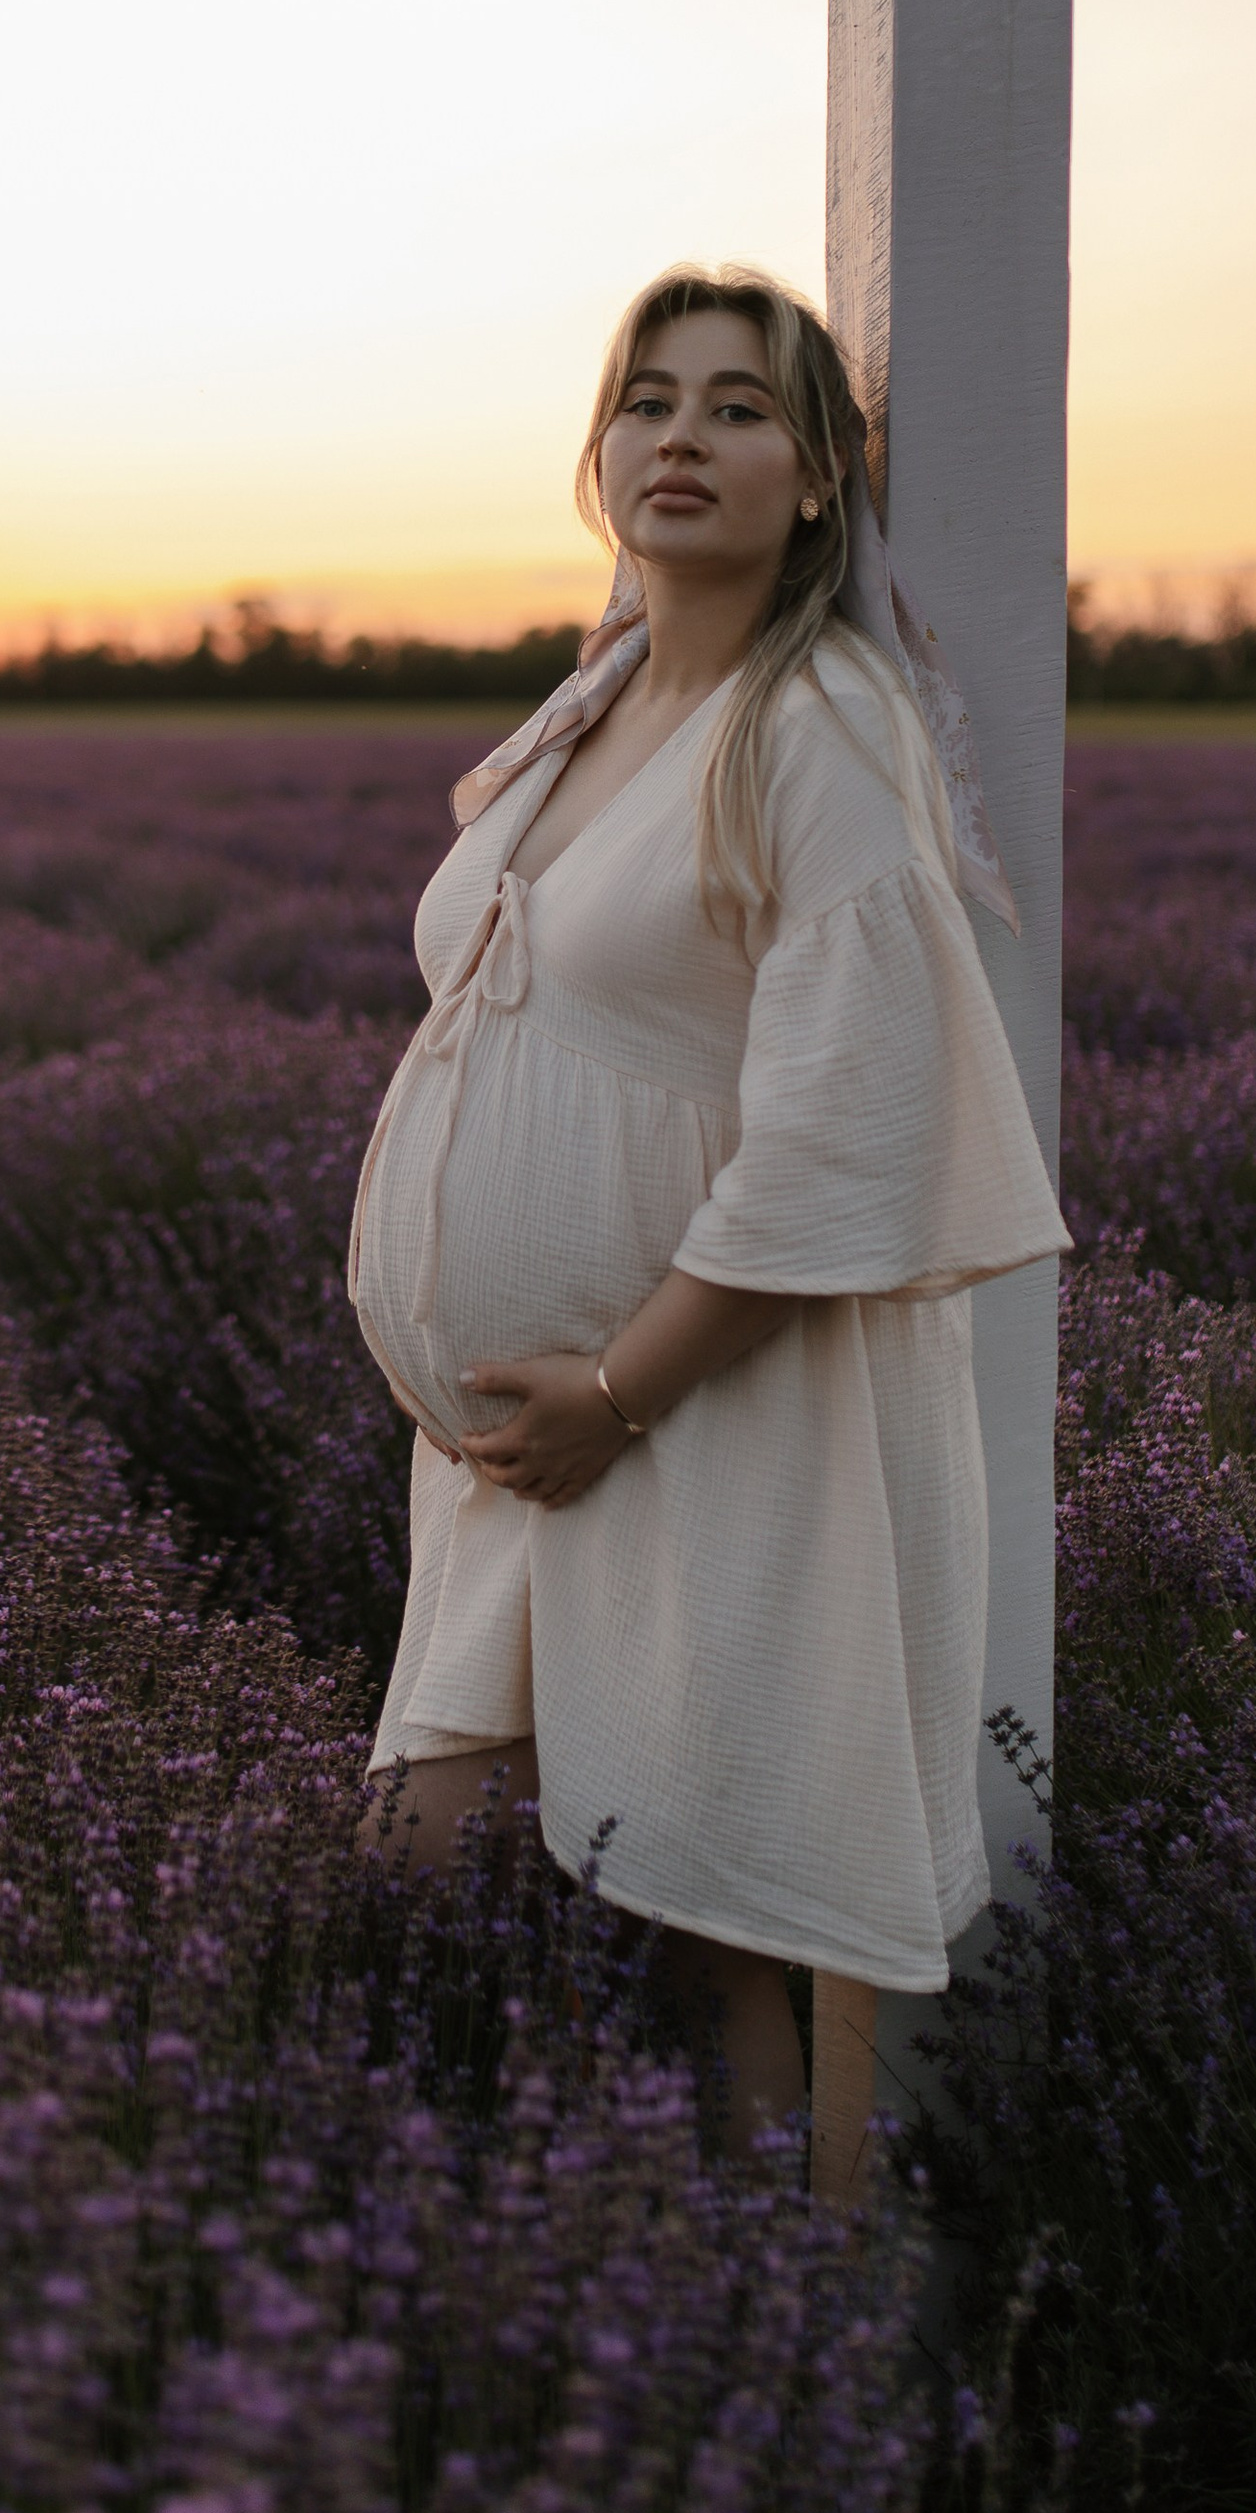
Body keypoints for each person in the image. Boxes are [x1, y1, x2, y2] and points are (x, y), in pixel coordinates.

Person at [348, 265, 1067, 2198]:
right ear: (597, 456)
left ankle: (798, 2390)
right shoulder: (593, 707)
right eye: (648, 399)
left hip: (710, 1409)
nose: (684, 435)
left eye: (744, 408)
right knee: (430, 1889)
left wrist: (619, 1389)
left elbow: (857, 1120)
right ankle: (540, 2333)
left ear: (822, 479)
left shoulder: (817, 719)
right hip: (529, 1451)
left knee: (733, 1924)